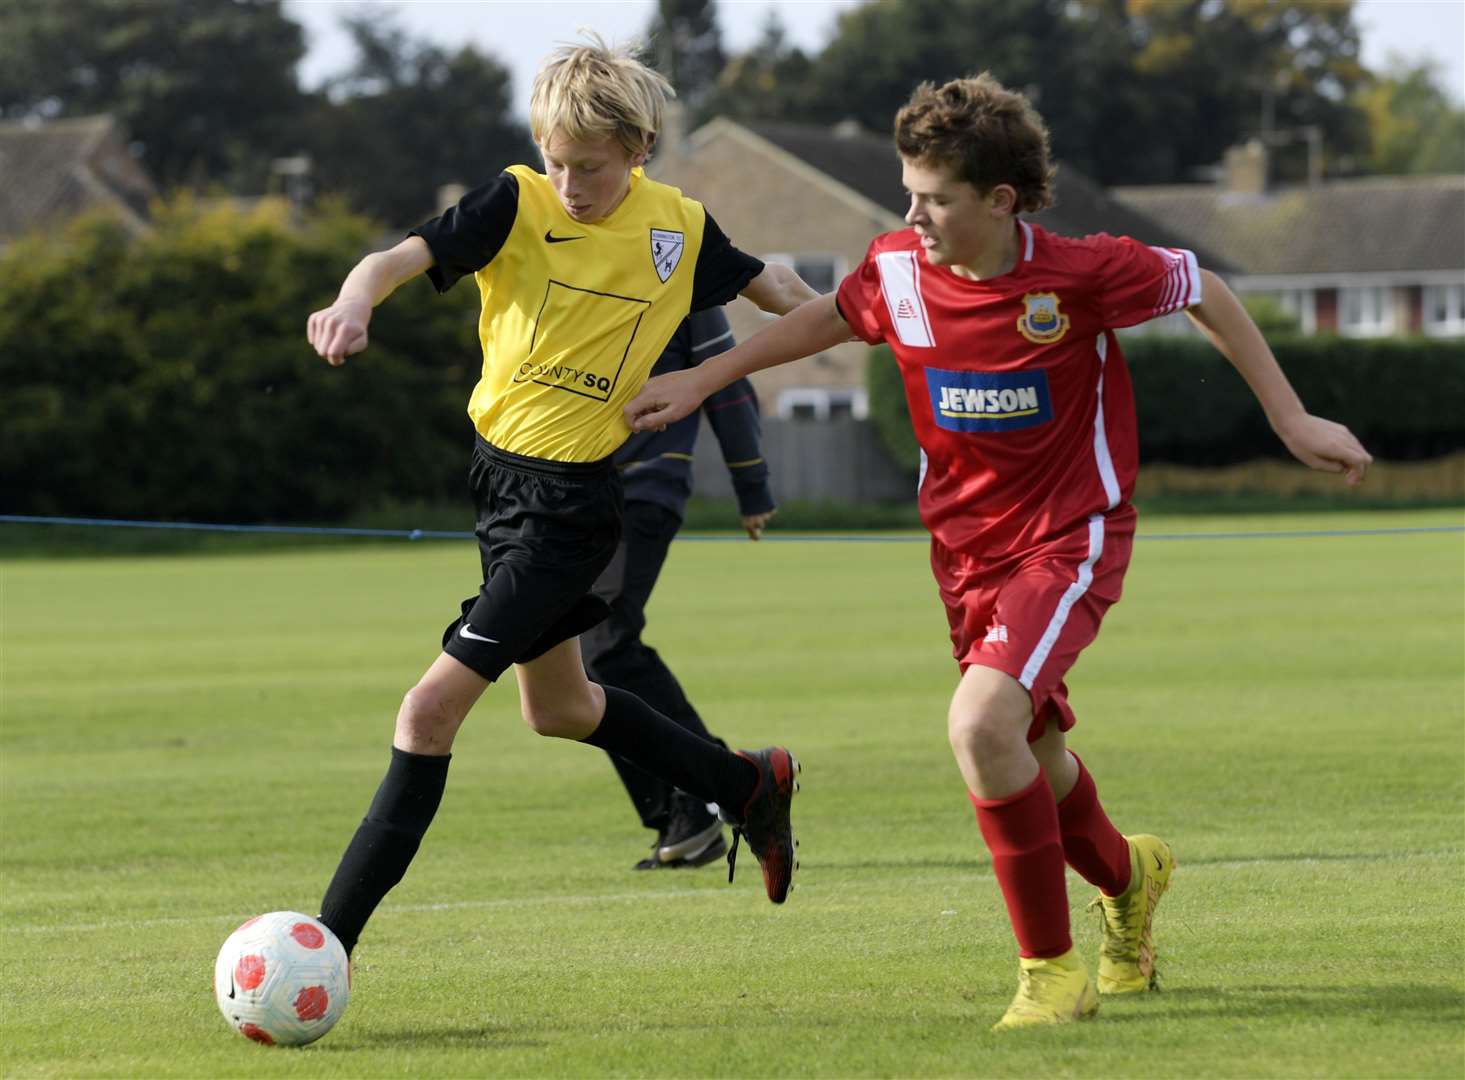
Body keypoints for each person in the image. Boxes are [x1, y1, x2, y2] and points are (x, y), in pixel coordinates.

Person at [625, 73, 1372, 1030]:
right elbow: (830, 316)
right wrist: (704, 378)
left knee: (979, 726)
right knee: (1034, 758)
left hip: (1070, 537)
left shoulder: (1080, 272)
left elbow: (1206, 288)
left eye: (934, 198)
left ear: (999, 200)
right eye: (909, 192)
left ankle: (1049, 973)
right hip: (965, 555)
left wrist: (1290, 415)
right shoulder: (897, 267)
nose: (913, 214)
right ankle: (1131, 878)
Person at [302, 36, 818, 962]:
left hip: (571, 510)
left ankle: (324, 947)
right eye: (555, 160)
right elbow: (393, 258)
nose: (569, 183)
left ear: (637, 151)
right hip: (496, 485)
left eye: (588, 166)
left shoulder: (678, 231)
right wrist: (354, 301)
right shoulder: (517, 201)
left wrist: (864, 304)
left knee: (426, 714)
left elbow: (780, 292)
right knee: (562, 709)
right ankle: (744, 784)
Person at [584, 305, 776, 871]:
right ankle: (688, 811)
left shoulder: (683, 275)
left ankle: (710, 793)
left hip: (644, 488)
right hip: (568, 493)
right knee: (577, 664)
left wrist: (752, 483)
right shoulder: (569, 263)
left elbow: (729, 383)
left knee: (605, 643)